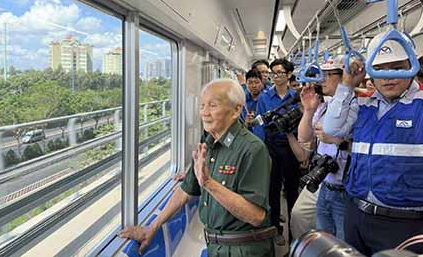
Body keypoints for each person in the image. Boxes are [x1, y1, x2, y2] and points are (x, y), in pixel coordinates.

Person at [119, 79, 275, 257]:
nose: (204, 113)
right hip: (216, 245)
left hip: (244, 249)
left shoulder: (252, 149)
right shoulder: (207, 143)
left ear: (237, 110)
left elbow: (256, 216)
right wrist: (152, 228)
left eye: (212, 105)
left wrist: (208, 183)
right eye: (202, 106)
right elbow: (186, 190)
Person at [323, 32, 423, 255]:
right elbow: (331, 128)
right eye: (380, 69)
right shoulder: (363, 105)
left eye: (397, 68)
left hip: (405, 222)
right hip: (357, 213)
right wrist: (347, 85)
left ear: (412, 65)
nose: (388, 76)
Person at [289, 56, 349, 240]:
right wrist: (308, 110)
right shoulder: (324, 106)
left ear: (344, 76)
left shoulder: (357, 106)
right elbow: (305, 138)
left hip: (345, 186)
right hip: (322, 179)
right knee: (299, 216)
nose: (321, 80)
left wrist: (339, 142)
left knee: (341, 236)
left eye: (327, 75)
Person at [254, 58, 300, 246]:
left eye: (280, 73)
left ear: (289, 75)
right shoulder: (265, 98)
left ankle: (294, 234)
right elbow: (260, 126)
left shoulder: (296, 96)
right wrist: (261, 151)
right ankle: (276, 229)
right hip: (271, 147)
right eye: (273, 73)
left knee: (291, 192)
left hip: (291, 147)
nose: (275, 77)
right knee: (272, 191)